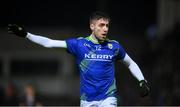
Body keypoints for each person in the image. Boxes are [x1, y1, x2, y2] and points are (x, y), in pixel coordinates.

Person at [7, 11, 150, 107]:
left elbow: (131, 63)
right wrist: (27, 35)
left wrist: (142, 81)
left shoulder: (114, 46)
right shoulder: (79, 44)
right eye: (101, 25)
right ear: (92, 26)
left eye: (107, 25)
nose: (105, 29)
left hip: (108, 98)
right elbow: (49, 43)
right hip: (86, 101)